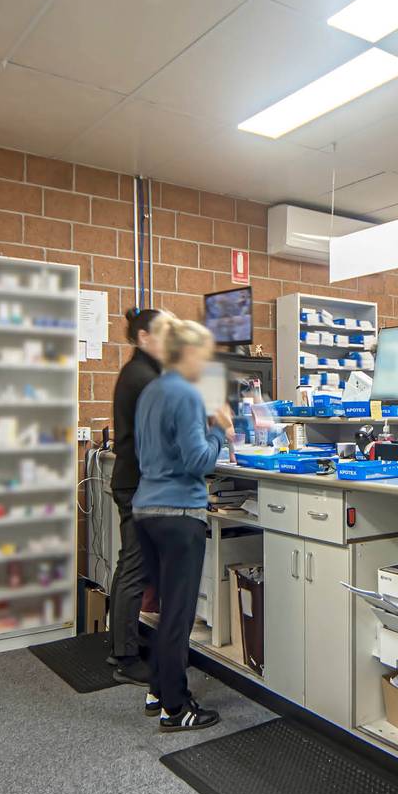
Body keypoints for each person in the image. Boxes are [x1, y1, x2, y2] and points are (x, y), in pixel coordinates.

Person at [133, 316, 233, 731]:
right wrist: (220, 431)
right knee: (178, 615)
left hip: (147, 511)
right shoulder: (188, 394)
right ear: (188, 353)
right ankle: (176, 709)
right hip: (178, 514)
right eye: (204, 356)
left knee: (164, 611)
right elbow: (198, 461)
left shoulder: (152, 391)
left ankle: (158, 690)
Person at [108, 308, 163, 685]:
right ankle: (125, 657)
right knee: (134, 566)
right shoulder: (143, 377)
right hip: (138, 484)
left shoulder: (139, 371)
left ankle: (121, 644)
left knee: (130, 563)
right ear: (144, 337)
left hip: (132, 479)